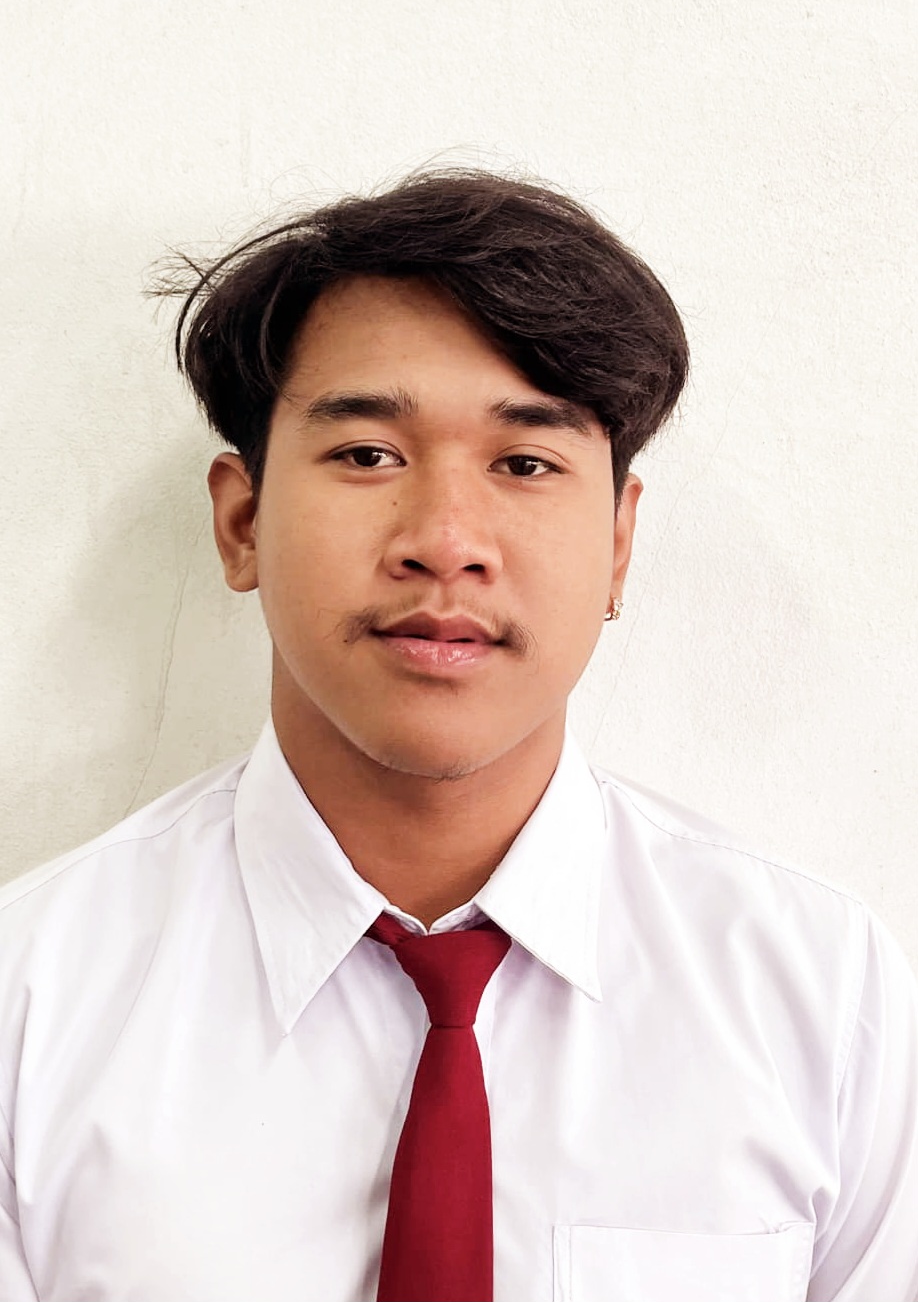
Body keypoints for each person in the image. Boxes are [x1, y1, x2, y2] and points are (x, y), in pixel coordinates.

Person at [1, 169, 916, 1302]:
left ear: (619, 546)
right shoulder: (30, 1002)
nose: (445, 541)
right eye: (367, 454)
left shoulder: (823, 996)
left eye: (526, 463)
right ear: (241, 521)